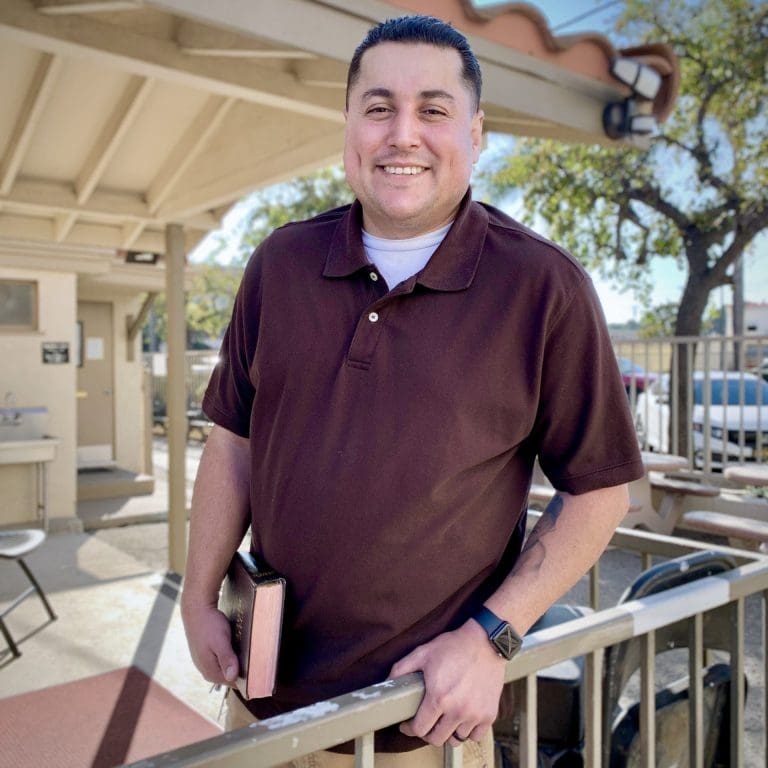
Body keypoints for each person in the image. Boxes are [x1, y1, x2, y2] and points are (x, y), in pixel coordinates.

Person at [181, 14, 644, 767]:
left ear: (476, 133)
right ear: (348, 128)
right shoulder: (279, 264)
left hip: (422, 725)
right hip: (258, 702)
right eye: (378, 108)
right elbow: (233, 441)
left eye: (433, 110)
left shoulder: (542, 287)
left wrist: (493, 637)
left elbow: (601, 494)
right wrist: (198, 596)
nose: (403, 135)